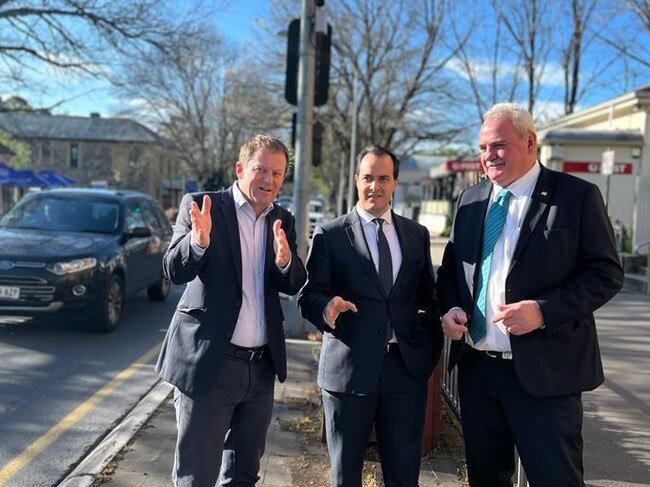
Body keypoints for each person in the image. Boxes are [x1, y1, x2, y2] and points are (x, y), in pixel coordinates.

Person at [436, 103, 624, 486]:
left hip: (546, 375)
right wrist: (453, 306)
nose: (489, 155)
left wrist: (543, 311)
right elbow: (452, 272)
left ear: (530, 143)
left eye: (500, 145)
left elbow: (606, 274)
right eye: (484, 147)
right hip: (478, 371)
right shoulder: (471, 202)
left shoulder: (576, 197)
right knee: (486, 479)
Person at [156, 134, 307, 487]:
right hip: (211, 366)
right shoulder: (201, 206)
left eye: (277, 172)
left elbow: (293, 282)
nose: (269, 180)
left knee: (244, 476)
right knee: (197, 476)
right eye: (260, 170)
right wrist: (198, 242)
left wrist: (286, 263)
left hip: (260, 371)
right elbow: (173, 271)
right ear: (240, 169)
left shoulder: (282, 218)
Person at [299, 145, 443, 487]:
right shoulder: (331, 234)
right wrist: (326, 307)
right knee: (346, 475)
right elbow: (309, 297)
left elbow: (429, 298)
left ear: (394, 183)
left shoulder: (415, 235)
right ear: (356, 180)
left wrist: (427, 348)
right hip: (348, 372)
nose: (374, 186)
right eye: (367, 178)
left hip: (404, 372)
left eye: (383, 178)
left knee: (404, 474)